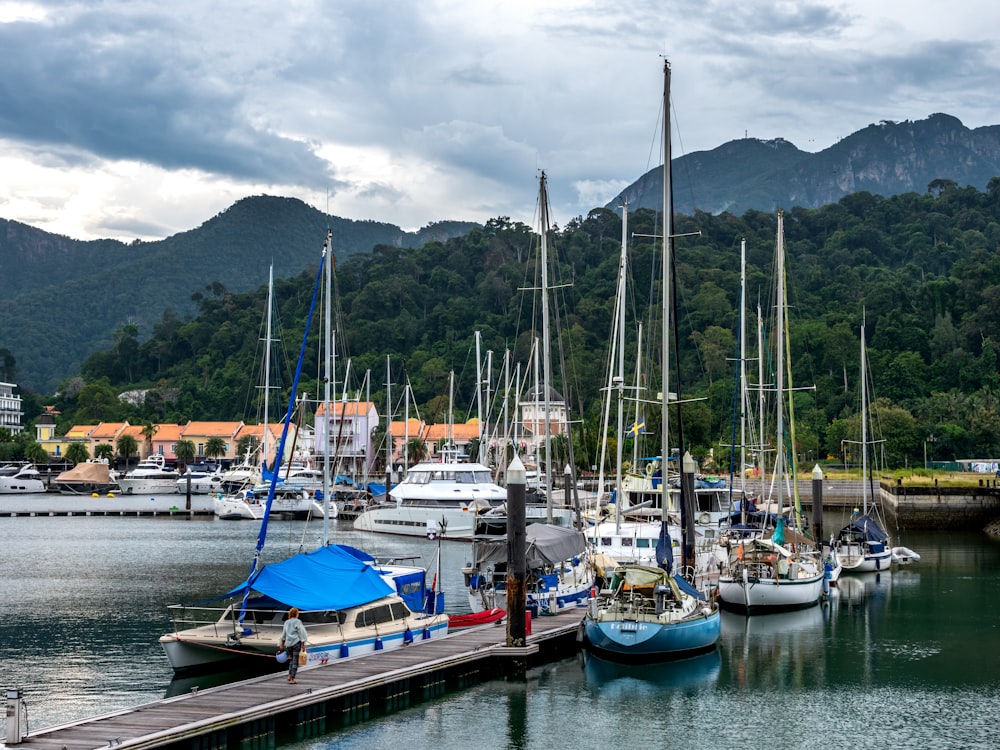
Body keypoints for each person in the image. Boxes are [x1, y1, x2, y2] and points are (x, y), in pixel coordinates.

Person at [280, 607, 308, 683]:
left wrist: (282, 644)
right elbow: (301, 633)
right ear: (296, 614)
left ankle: (289, 675)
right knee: (295, 661)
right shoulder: (298, 622)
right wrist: (303, 644)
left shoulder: (286, 622)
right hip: (296, 643)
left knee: (292, 660)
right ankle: (292, 678)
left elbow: (283, 634)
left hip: (288, 644)